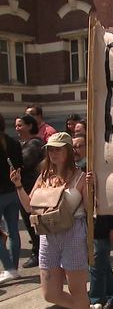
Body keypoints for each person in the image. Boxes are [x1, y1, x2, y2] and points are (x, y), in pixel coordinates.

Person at [10, 132, 102, 309]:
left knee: (77, 289)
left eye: (59, 148)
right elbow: (31, 206)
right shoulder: (43, 177)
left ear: (69, 151)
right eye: (51, 149)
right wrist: (19, 186)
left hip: (73, 233)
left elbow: (92, 211)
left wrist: (91, 189)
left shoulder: (81, 177)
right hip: (47, 236)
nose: (53, 152)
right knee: (50, 293)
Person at [74, 136, 113, 309]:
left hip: (103, 226)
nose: (75, 149)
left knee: (96, 265)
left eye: (80, 145)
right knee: (100, 264)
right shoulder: (77, 170)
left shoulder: (103, 168)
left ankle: (96, 304)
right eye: (73, 146)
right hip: (85, 225)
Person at [15, 114, 44, 268]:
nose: (17, 128)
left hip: (32, 189)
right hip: (24, 189)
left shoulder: (34, 144)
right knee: (29, 222)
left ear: (30, 126)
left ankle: (38, 253)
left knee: (33, 222)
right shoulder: (24, 144)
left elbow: (23, 163)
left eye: (20, 125)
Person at [0, 114, 24, 284]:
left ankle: (9, 268)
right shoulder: (14, 143)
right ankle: (13, 268)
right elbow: (20, 165)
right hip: (13, 191)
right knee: (13, 231)